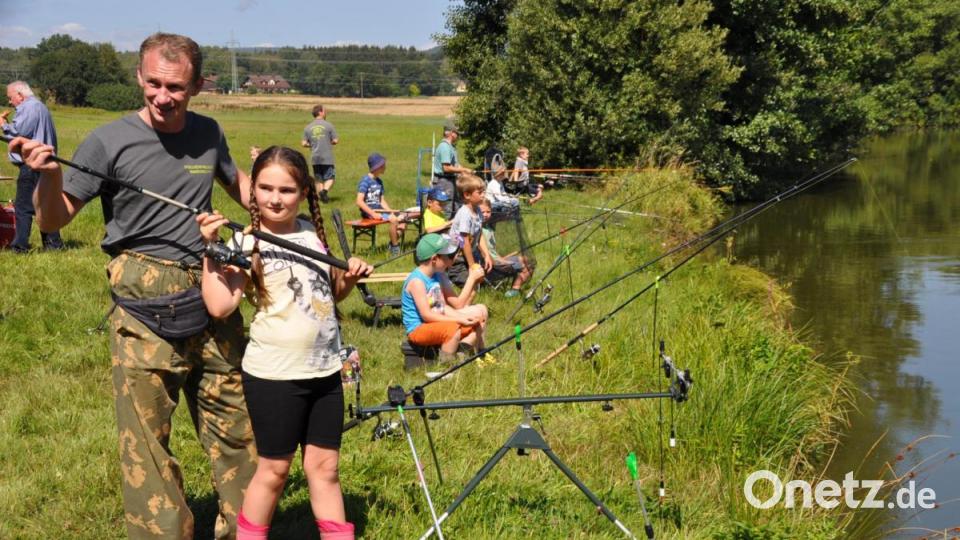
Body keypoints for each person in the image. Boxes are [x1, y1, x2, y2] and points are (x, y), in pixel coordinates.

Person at [13, 33, 255, 539]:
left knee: (240, 431)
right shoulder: (107, 140)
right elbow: (54, 220)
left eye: (176, 87)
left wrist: (286, 204)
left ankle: (247, 529)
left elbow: (246, 192)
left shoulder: (210, 133)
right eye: (153, 84)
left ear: (197, 85)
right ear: (139, 78)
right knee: (146, 445)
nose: (163, 97)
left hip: (215, 294)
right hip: (146, 309)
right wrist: (49, 177)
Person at [197, 146, 372, 540]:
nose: (275, 199)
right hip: (275, 376)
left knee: (325, 468)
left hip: (326, 370)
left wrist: (350, 277)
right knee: (274, 471)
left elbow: (328, 297)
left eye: (287, 190)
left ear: (305, 192)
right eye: (265, 188)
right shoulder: (248, 243)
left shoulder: (311, 232)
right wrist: (209, 253)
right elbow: (220, 305)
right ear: (253, 190)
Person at [402, 233, 488, 365]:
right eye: (447, 257)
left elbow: (441, 306)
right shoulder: (417, 281)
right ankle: (447, 368)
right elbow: (426, 315)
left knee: (477, 322)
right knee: (453, 331)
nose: (450, 261)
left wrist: (464, 318)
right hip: (419, 329)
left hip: (433, 323)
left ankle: (464, 354)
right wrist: (459, 319)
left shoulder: (435, 276)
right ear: (435, 259)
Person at [1, 81, 64, 252]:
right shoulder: (40, 107)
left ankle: (20, 246)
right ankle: (53, 245)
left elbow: (20, 133)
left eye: (10, 97)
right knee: (45, 206)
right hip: (46, 163)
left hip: (32, 163)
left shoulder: (29, 107)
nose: (9, 102)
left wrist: (3, 124)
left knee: (23, 207)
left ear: (20, 95)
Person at [478, 199, 532, 297]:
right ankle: (514, 291)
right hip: (492, 264)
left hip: (497, 260)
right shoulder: (477, 230)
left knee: (526, 259)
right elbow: (482, 252)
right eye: (482, 212)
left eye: (488, 212)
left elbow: (492, 249)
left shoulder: (488, 228)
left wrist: (501, 258)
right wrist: (500, 262)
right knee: (528, 267)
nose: (485, 214)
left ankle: (515, 286)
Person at [447, 174, 493, 287]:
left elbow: (479, 234)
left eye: (484, 192)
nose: (483, 195)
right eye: (480, 192)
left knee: (481, 281)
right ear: (467, 195)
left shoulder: (477, 210)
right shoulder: (465, 214)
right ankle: (447, 276)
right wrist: (472, 266)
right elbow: (464, 241)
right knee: (470, 284)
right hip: (456, 257)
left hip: (468, 254)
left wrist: (486, 255)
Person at [356, 152, 405, 256]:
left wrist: (391, 211)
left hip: (379, 211)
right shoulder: (365, 181)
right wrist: (373, 214)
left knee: (403, 219)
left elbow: (381, 201)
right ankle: (395, 248)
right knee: (393, 220)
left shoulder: (379, 182)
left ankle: (392, 242)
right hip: (369, 213)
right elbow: (359, 201)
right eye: (383, 165)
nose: (385, 167)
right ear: (377, 167)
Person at [432, 118, 472, 217]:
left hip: (450, 181)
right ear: (451, 133)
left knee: (456, 207)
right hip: (444, 182)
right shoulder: (445, 147)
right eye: (457, 133)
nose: (458, 136)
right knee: (447, 209)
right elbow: (446, 168)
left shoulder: (450, 147)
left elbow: (455, 165)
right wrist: (463, 170)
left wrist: (465, 171)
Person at [301, 104, 339, 203]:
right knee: (331, 177)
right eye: (325, 111)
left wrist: (312, 144)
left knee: (318, 179)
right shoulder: (329, 125)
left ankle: (323, 199)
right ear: (320, 112)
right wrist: (327, 141)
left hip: (315, 157)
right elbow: (335, 140)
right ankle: (324, 192)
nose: (326, 113)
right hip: (327, 157)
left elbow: (304, 143)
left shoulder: (308, 127)